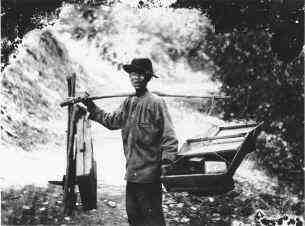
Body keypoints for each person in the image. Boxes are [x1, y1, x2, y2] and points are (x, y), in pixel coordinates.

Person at [82, 58, 178, 226]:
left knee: (153, 220)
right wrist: (91, 106)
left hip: (150, 177)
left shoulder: (156, 103)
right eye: (133, 74)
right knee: (134, 218)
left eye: (140, 74)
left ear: (147, 77)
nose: (136, 78)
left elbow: (169, 137)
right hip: (132, 174)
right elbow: (112, 121)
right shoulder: (129, 102)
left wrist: (166, 165)